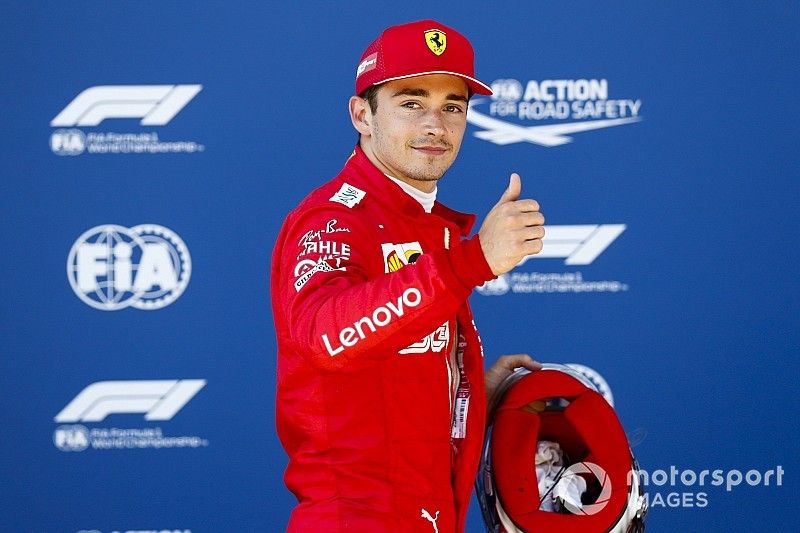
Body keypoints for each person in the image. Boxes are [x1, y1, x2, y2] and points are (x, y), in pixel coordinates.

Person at [271, 19, 544, 532]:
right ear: (362, 115)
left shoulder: (424, 225)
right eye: (411, 102)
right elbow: (325, 336)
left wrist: (468, 392)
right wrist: (473, 261)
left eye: (452, 107)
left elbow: (385, 378)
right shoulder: (333, 219)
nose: (435, 125)